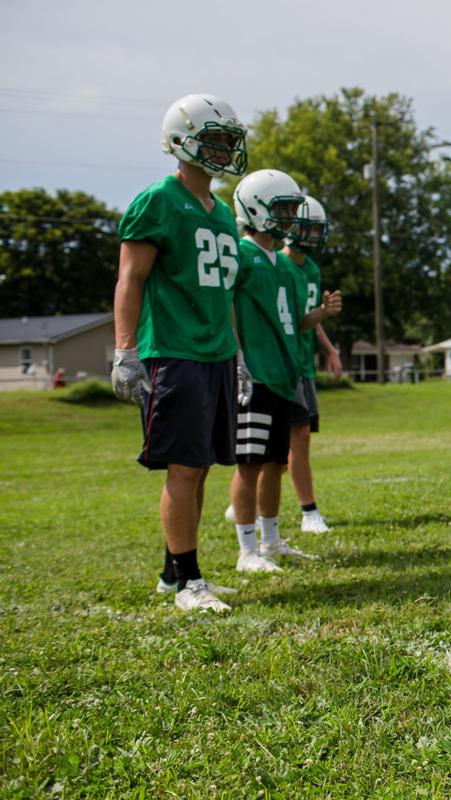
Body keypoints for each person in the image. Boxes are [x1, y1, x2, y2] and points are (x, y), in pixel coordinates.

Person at [111, 93, 249, 613]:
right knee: (184, 469)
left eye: (226, 141)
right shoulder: (158, 200)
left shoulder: (221, 213)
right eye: (212, 139)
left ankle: (176, 573)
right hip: (172, 350)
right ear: (180, 139)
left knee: (202, 466)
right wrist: (125, 352)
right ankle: (189, 580)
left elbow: (225, 292)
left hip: (214, 352)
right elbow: (130, 278)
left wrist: (235, 354)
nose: (221, 149)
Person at [228, 170, 341, 573]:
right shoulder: (239, 255)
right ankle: (246, 550)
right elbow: (224, 306)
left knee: (276, 461)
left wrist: (322, 314)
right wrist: (236, 357)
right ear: (256, 208)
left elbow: (294, 319)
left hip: (284, 371)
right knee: (250, 463)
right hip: (254, 372)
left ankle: (271, 541)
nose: (290, 219)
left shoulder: (286, 265)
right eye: (283, 209)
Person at [283, 195, 342, 533]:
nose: (316, 236)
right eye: (310, 229)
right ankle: (308, 512)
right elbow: (292, 318)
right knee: (294, 438)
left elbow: (311, 318)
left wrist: (330, 349)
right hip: (283, 362)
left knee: (289, 444)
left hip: (304, 362)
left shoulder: (311, 269)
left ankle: (246, 496)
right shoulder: (278, 264)